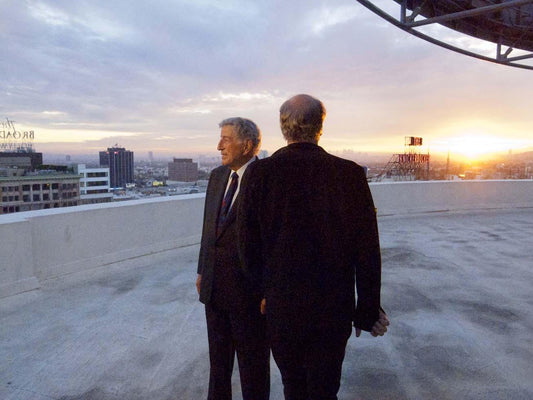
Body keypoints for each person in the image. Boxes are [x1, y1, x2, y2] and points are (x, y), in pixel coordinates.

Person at [237, 94, 389, 400]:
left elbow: (247, 247)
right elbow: (367, 249)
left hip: (283, 307)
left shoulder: (260, 173)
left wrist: (266, 291)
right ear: (320, 126)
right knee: (325, 388)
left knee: (293, 386)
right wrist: (367, 309)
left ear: (283, 127)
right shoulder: (350, 174)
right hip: (333, 308)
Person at [197, 117, 270, 400]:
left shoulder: (266, 179)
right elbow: (208, 229)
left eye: (226, 140)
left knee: (253, 370)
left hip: (249, 296)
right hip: (215, 289)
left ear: (247, 145)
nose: (219, 146)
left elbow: (272, 240)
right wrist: (203, 270)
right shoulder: (217, 176)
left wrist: (268, 290)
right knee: (218, 368)